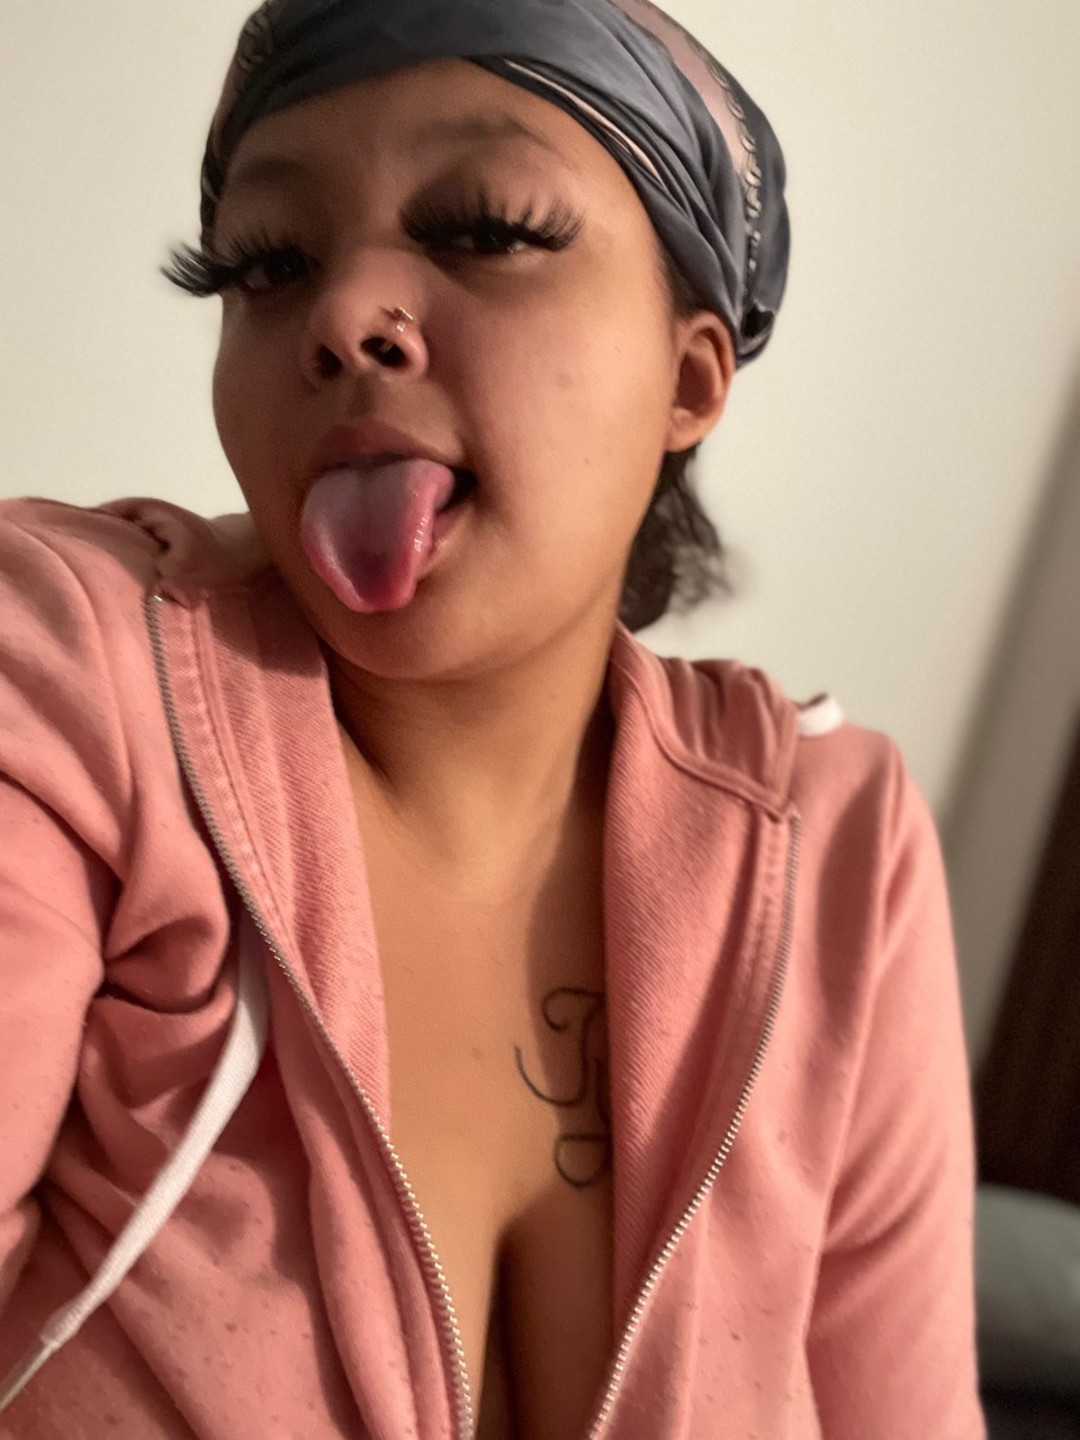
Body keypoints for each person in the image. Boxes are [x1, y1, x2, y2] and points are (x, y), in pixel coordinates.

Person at [0, 1, 986, 1436]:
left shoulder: (841, 848)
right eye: (266, 263)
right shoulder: (65, 682)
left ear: (690, 377)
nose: (341, 316)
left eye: (488, 229)